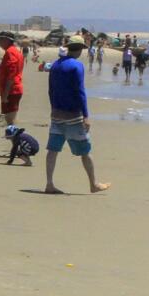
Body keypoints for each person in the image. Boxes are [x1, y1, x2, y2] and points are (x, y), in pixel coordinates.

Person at [44, 36, 108, 195]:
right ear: (79, 49)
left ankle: (49, 183)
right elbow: (80, 92)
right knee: (85, 151)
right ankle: (93, 184)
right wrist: (86, 115)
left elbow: (51, 90)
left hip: (57, 114)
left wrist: (53, 107)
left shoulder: (55, 65)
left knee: (53, 150)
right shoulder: (77, 66)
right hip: (73, 115)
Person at [0, 34, 26, 126]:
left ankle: (17, 139)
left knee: (10, 120)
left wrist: (5, 93)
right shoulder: (13, 51)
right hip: (13, 89)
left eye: (1, 39)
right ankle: (15, 138)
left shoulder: (10, 52)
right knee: (9, 119)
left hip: (12, 90)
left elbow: (11, 75)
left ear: (7, 40)